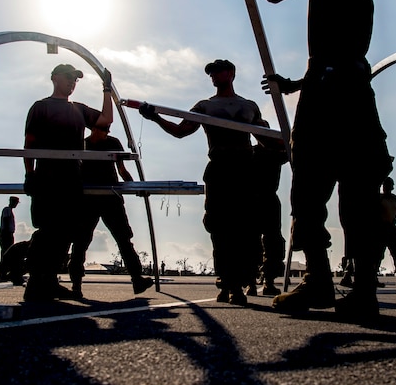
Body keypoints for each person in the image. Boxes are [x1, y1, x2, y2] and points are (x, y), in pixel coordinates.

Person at [231, 0, 392, 321]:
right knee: (359, 193)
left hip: (325, 96)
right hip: (353, 90)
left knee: (307, 190)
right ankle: (364, 289)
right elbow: (345, 59)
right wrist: (295, 85)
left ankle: (319, 279)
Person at [139, 59, 264, 306]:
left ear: (231, 73)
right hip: (219, 170)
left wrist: (287, 144)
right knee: (219, 227)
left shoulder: (249, 106)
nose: (214, 76)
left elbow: (266, 138)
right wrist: (155, 118)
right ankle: (227, 282)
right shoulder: (205, 106)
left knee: (247, 227)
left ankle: (245, 279)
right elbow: (181, 130)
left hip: (245, 171)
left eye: (218, 71)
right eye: (211, 74)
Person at [22, 63, 113, 302]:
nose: (72, 82)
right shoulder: (41, 107)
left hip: (72, 177)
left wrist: (107, 89)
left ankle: (49, 280)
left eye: (75, 80)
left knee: (66, 232)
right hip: (47, 176)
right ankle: (36, 282)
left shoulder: (78, 110)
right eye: (68, 78)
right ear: (55, 78)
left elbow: (105, 120)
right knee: (47, 229)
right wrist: (29, 174)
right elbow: (29, 143)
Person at [68, 125, 154, 297]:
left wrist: (135, 186)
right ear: (93, 129)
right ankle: (76, 284)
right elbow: (75, 169)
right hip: (88, 197)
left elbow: (121, 169)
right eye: (101, 129)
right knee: (81, 241)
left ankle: (137, 279)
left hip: (111, 196)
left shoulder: (113, 142)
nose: (104, 132)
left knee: (124, 239)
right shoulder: (83, 144)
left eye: (106, 129)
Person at [251, 131, 288, 296]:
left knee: (272, 241)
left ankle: (268, 280)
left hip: (268, 198)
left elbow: (290, 150)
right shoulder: (250, 152)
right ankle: (251, 281)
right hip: (253, 198)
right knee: (251, 241)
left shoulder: (276, 152)